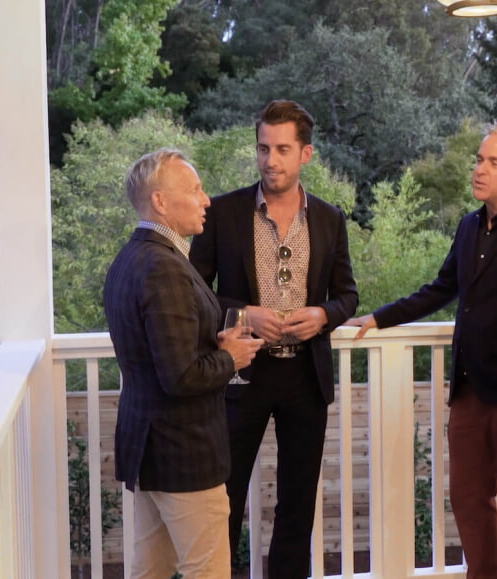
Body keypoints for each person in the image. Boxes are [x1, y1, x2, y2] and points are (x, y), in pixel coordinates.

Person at [347, 121, 497, 579]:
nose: (479, 169)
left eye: (493, 162)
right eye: (479, 159)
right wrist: (379, 317)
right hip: (469, 388)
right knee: (469, 499)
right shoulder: (469, 226)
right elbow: (441, 288)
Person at [190, 100, 359, 578]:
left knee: (297, 504)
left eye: (282, 149)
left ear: (305, 154)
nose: (270, 160)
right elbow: (194, 290)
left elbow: (347, 295)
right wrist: (244, 314)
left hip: (306, 376)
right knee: (224, 497)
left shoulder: (329, 218)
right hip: (241, 373)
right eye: (263, 148)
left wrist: (323, 314)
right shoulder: (223, 212)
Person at [104, 148, 263, 579]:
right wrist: (230, 358)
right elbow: (180, 376)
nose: (206, 200)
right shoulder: (164, 267)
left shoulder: (130, 258)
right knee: (205, 571)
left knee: (150, 570)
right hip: (183, 453)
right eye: (194, 190)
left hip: (149, 449)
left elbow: (161, 351)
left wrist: (214, 344)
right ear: (160, 201)